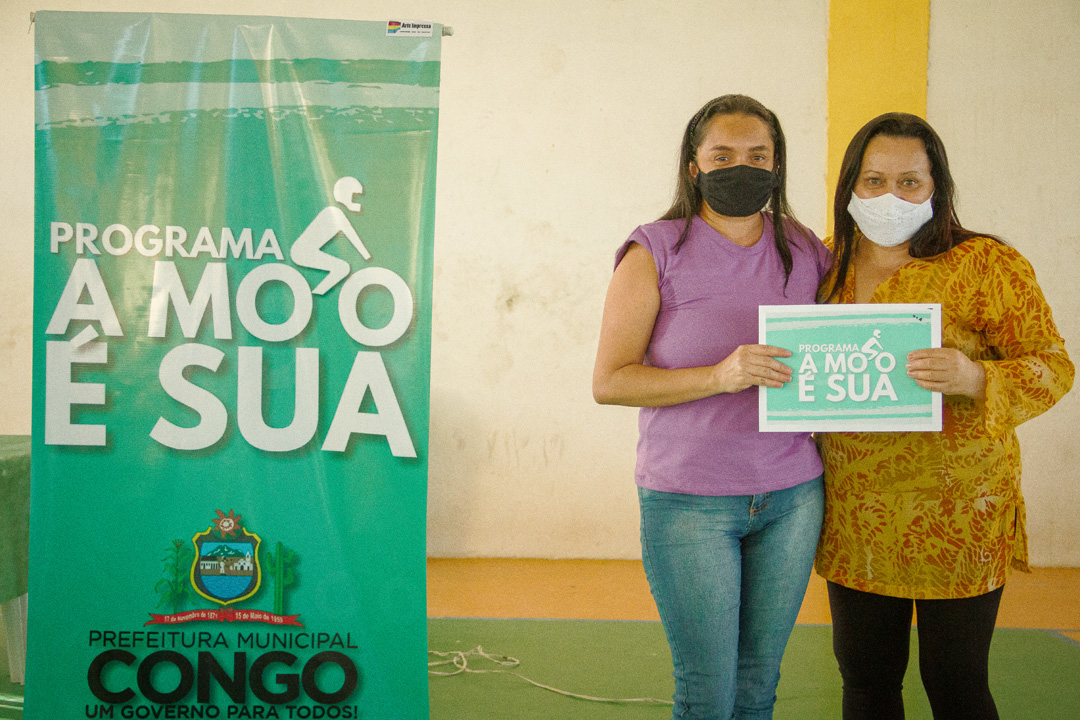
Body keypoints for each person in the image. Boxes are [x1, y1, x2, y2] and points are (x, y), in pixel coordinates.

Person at [816, 112, 1075, 720]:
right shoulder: (823, 263)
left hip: (960, 513)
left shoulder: (986, 264)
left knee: (956, 682)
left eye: (909, 181)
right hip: (857, 513)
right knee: (865, 680)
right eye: (874, 180)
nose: (890, 195)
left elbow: (1054, 365)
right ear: (851, 183)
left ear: (937, 185)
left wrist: (977, 377)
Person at [593, 94, 830, 719]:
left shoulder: (805, 247)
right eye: (722, 155)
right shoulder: (654, 250)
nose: (740, 167)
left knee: (757, 686)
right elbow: (610, 381)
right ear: (693, 166)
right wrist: (720, 377)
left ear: (777, 165)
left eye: (758, 155)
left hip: (793, 498)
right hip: (688, 503)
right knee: (707, 691)